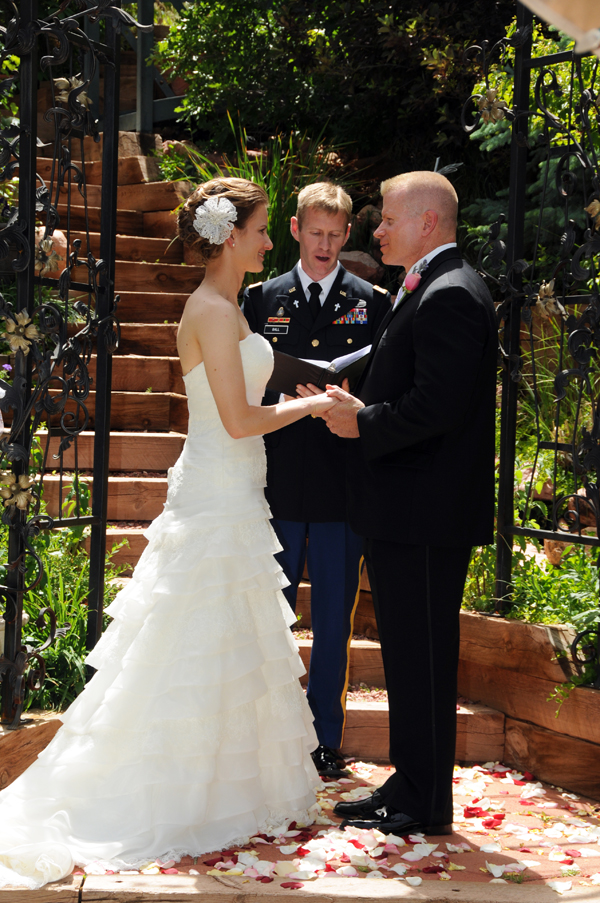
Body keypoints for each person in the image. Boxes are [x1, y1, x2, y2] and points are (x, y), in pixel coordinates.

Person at [0, 177, 338, 889]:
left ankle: (226, 793)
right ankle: (173, 795)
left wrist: (297, 393)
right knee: (188, 645)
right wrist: (305, 411)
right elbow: (241, 420)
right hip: (217, 491)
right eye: (262, 229)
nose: (271, 241)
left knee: (226, 646)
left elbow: (244, 407)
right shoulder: (211, 311)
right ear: (231, 235)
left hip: (236, 488)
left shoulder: (231, 305)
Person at [298, 171, 497, 834]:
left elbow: (438, 405)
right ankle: (409, 781)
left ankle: (424, 801)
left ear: (427, 223)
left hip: (425, 515)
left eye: (386, 219)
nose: (376, 230)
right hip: (409, 512)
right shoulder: (430, 285)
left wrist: (366, 421)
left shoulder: (451, 294)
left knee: (426, 658)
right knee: (410, 656)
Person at [243, 183, 390, 777]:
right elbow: (242, 385)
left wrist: (350, 397)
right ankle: (269, 737)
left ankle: (324, 740)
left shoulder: (373, 302)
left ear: (347, 234)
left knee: (333, 623)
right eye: (316, 233)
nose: (325, 246)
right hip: (275, 485)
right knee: (268, 620)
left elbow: (384, 385)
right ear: (297, 229)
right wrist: (283, 391)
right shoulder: (260, 298)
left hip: (340, 488)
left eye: (336, 235)